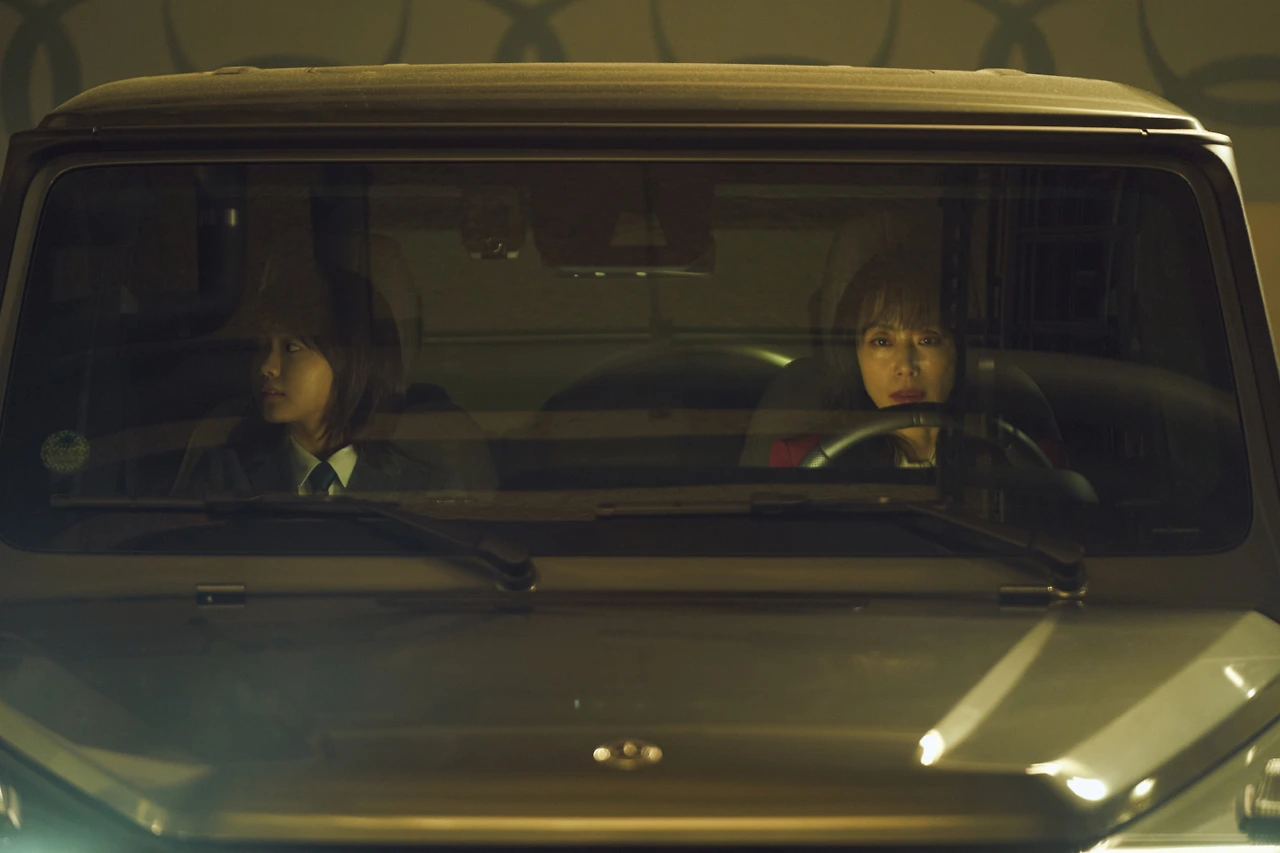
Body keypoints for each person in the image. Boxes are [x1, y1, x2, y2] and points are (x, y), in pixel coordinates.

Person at [177, 256, 463, 495]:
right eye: (261, 346)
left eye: (291, 348)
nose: (267, 366)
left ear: (348, 361)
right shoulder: (225, 477)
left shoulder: (425, 491)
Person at [770, 250, 956, 468]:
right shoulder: (810, 460)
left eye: (927, 340)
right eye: (882, 342)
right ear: (854, 356)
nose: (905, 366)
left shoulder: (990, 454)